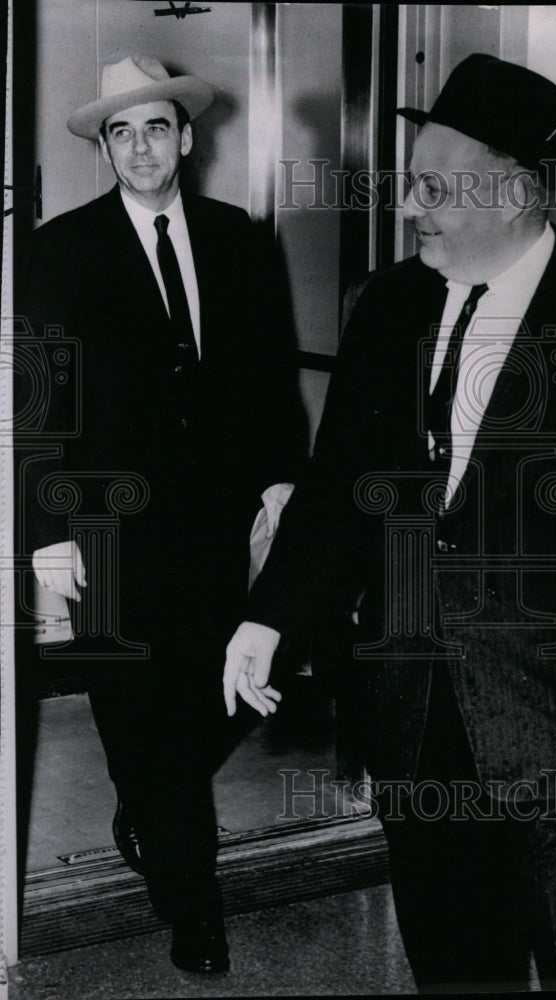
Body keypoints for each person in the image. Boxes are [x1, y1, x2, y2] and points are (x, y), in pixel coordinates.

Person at [223, 54, 556, 992]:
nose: (410, 207)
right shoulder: (387, 304)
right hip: (409, 707)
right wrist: (269, 617)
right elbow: (342, 484)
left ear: (516, 193)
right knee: (452, 959)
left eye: (433, 188)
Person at [16, 55, 306, 973]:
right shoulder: (58, 249)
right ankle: (195, 906)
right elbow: (37, 403)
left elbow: (266, 378)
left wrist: (279, 484)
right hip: (101, 529)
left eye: (155, 128)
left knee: (227, 692)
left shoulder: (237, 237)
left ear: (186, 137)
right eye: (120, 132)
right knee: (132, 713)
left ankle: (146, 805)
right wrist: (48, 536)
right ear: (106, 148)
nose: (139, 147)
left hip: (213, 524)